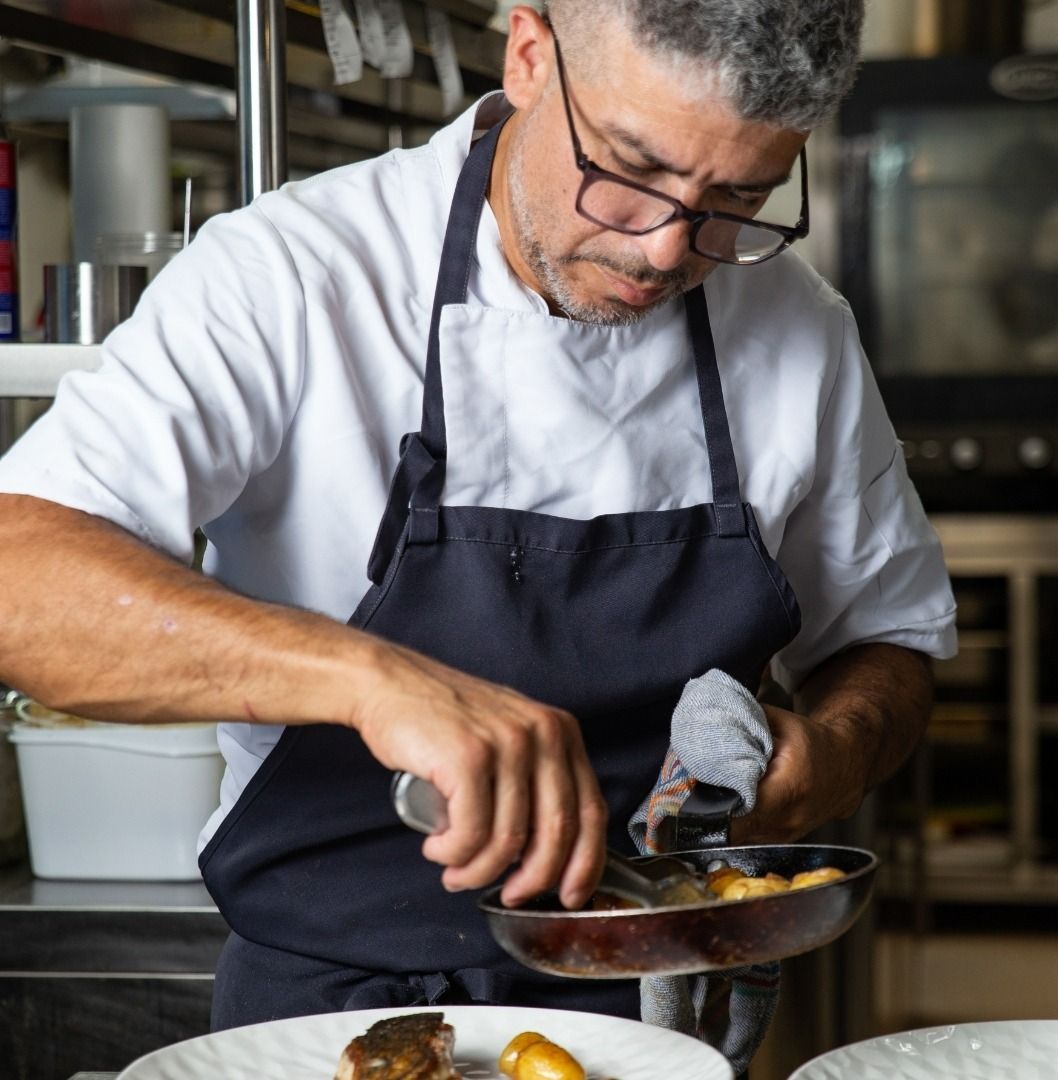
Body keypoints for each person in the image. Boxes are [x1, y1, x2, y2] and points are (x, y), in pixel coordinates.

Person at [0, 0, 955, 1036]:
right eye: (631, 171)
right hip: (329, 1010)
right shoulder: (292, 275)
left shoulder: (798, 330)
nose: (665, 250)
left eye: (738, 197)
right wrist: (372, 680)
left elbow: (887, 640)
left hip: (659, 1013)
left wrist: (836, 753)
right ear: (532, 55)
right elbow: (23, 579)